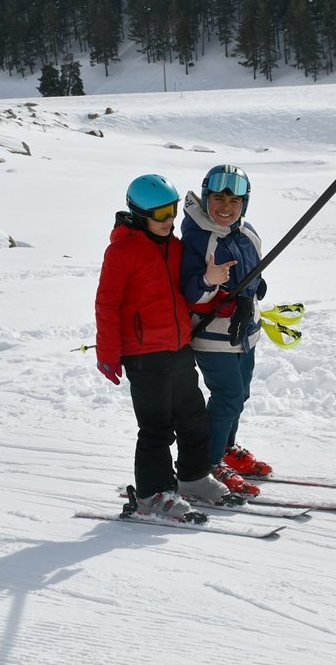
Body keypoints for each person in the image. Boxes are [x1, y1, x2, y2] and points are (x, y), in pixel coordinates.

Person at [94, 174, 229, 520]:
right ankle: (152, 494)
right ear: (140, 215)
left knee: (193, 418)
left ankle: (193, 477)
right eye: (160, 215)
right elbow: (106, 304)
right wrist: (108, 353)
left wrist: (219, 300)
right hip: (143, 355)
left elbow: (186, 291)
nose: (169, 220)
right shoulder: (121, 252)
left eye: (172, 212)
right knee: (156, 428)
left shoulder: (176, 246)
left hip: (178, 346)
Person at [179, 164, 273, 496]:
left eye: (234, 201)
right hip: (212, 335)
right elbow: (191, 291)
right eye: (218, 198)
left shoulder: (247, 233)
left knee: (240, 394)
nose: (225, 207)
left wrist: (256, 288)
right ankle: (209, 461)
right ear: (205, 198)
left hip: (245, 332)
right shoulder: (197, 237)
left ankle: (227, 446)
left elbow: (253, 271)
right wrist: (209, 281)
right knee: (227, 396)